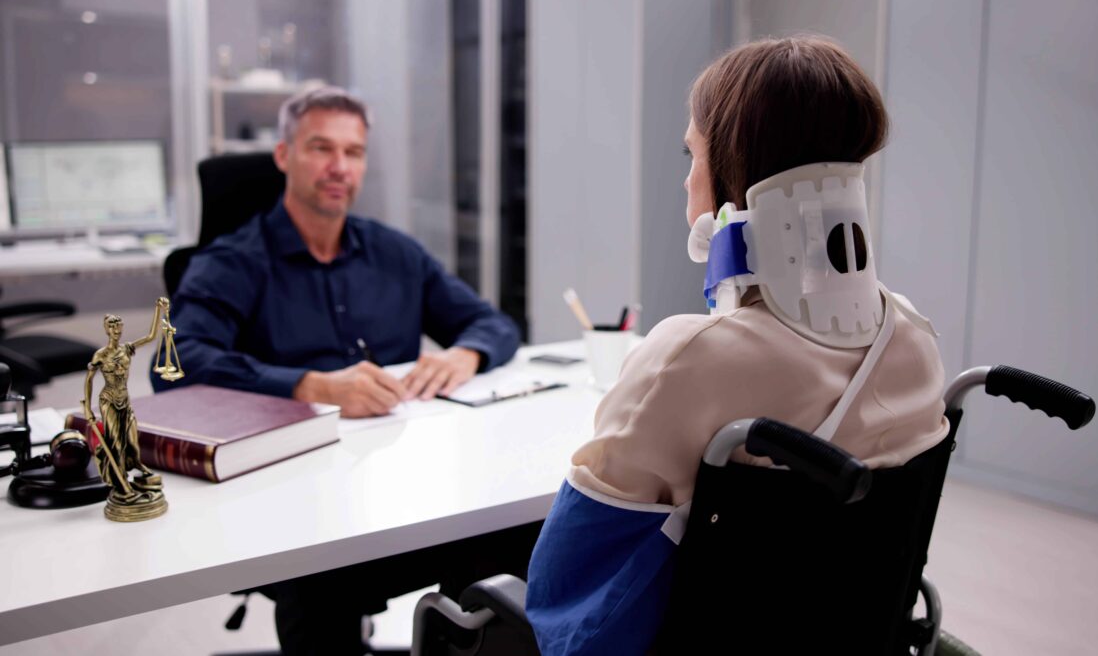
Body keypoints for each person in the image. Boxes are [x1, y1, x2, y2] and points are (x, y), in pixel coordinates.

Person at [525, 36, 950, 655]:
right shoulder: (914, 335)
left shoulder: (689, 356)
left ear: (732, 176)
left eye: (692, 154)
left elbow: (577, 586)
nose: (686, 177)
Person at [153, 86, 535, 654]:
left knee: (514, 539)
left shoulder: (394, 253)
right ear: (284, 155)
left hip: (399, 486)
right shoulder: (232, 263)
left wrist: (465, 353)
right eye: (320, 148)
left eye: (353, 153)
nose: (339, 167)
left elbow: (492, 324)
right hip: (291, 499)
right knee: (322, 583)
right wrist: (307, 386)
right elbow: (174, 365)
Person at [84, 299, 173, 518]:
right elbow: (89, 379)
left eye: (119, 327)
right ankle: (120, 482)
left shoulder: (127, 349)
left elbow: (151, 337)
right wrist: (88, 408)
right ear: (107, 330)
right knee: (115, 442)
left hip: (125, 399)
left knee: (132, 439)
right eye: (113, 327)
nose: (117, 330)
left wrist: (158, 310)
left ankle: (137, 469)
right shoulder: (101, 355)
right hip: (109, 400)